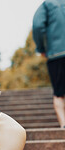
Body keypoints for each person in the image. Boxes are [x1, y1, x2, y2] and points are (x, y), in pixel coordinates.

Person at [32, 0, 65, 128]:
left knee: (59, 93)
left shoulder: (46, 5)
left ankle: (63, 125)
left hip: (56, 54)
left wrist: (41, 48)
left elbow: (37, 26)